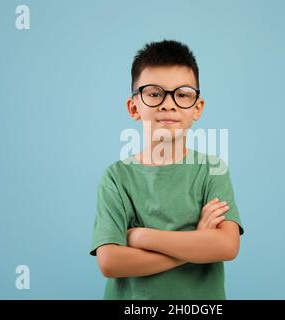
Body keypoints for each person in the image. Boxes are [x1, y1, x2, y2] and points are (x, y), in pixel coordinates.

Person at [89, 39, 245, 299]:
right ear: (133, 107)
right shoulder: (116, 178)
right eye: (153, 93)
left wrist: (141, 237)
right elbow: (110, 263)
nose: (168, 104)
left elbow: (227, 246)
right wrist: (197, 242)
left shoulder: (212, 170)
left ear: (198, 108)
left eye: (182, 94)